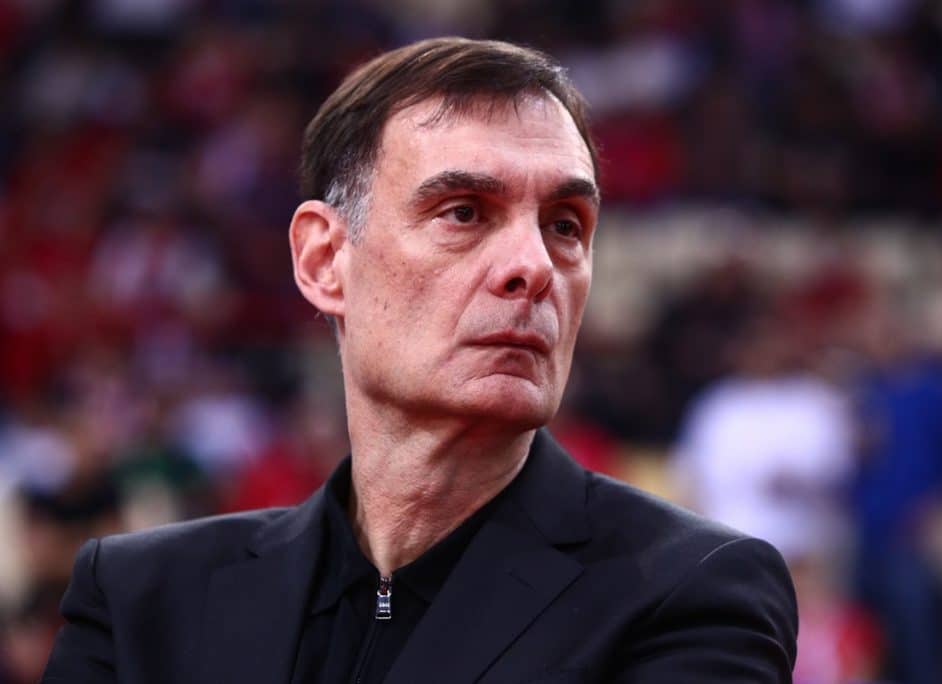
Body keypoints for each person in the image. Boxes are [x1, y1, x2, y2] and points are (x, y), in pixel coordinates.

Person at [41, 37, 797, 683]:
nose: (534, 266)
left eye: (565, 225)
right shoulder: (138, 601)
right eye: (464, 212)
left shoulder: (693, 593)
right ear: (324, 260)